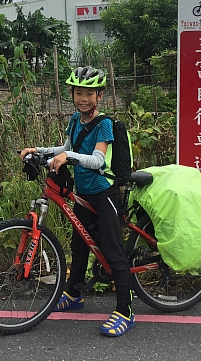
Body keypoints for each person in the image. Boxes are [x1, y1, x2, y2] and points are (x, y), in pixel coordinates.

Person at [19, 66, 134, 337]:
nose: (83, 98)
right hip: (83, 194)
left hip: (103, 192)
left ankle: (125, 310)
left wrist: (69, 157)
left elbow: (97, 159)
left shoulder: (104, 124)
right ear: (72, 94)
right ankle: (74, 294)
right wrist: (40, 150)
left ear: (99, 96)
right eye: (78, 93)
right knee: (79, 244)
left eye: (89, 94)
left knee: (113, 250)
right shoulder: (75, 119)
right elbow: (67, 146)